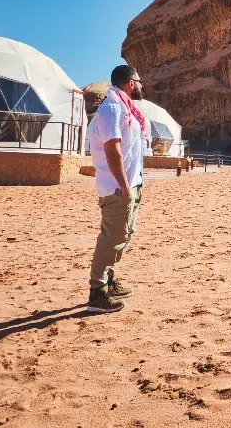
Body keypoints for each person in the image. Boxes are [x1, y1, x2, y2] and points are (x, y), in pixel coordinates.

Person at [86, 65, 147, 313]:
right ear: (131, 83)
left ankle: (108, 283)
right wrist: (123, 186)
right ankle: (97, 293)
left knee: (123, 235)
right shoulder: (112, 109)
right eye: (139, 81)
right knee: (111, 238)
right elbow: (113, 150)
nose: (142, 85)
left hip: (129, 185)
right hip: (117, 188)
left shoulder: (124, 108)